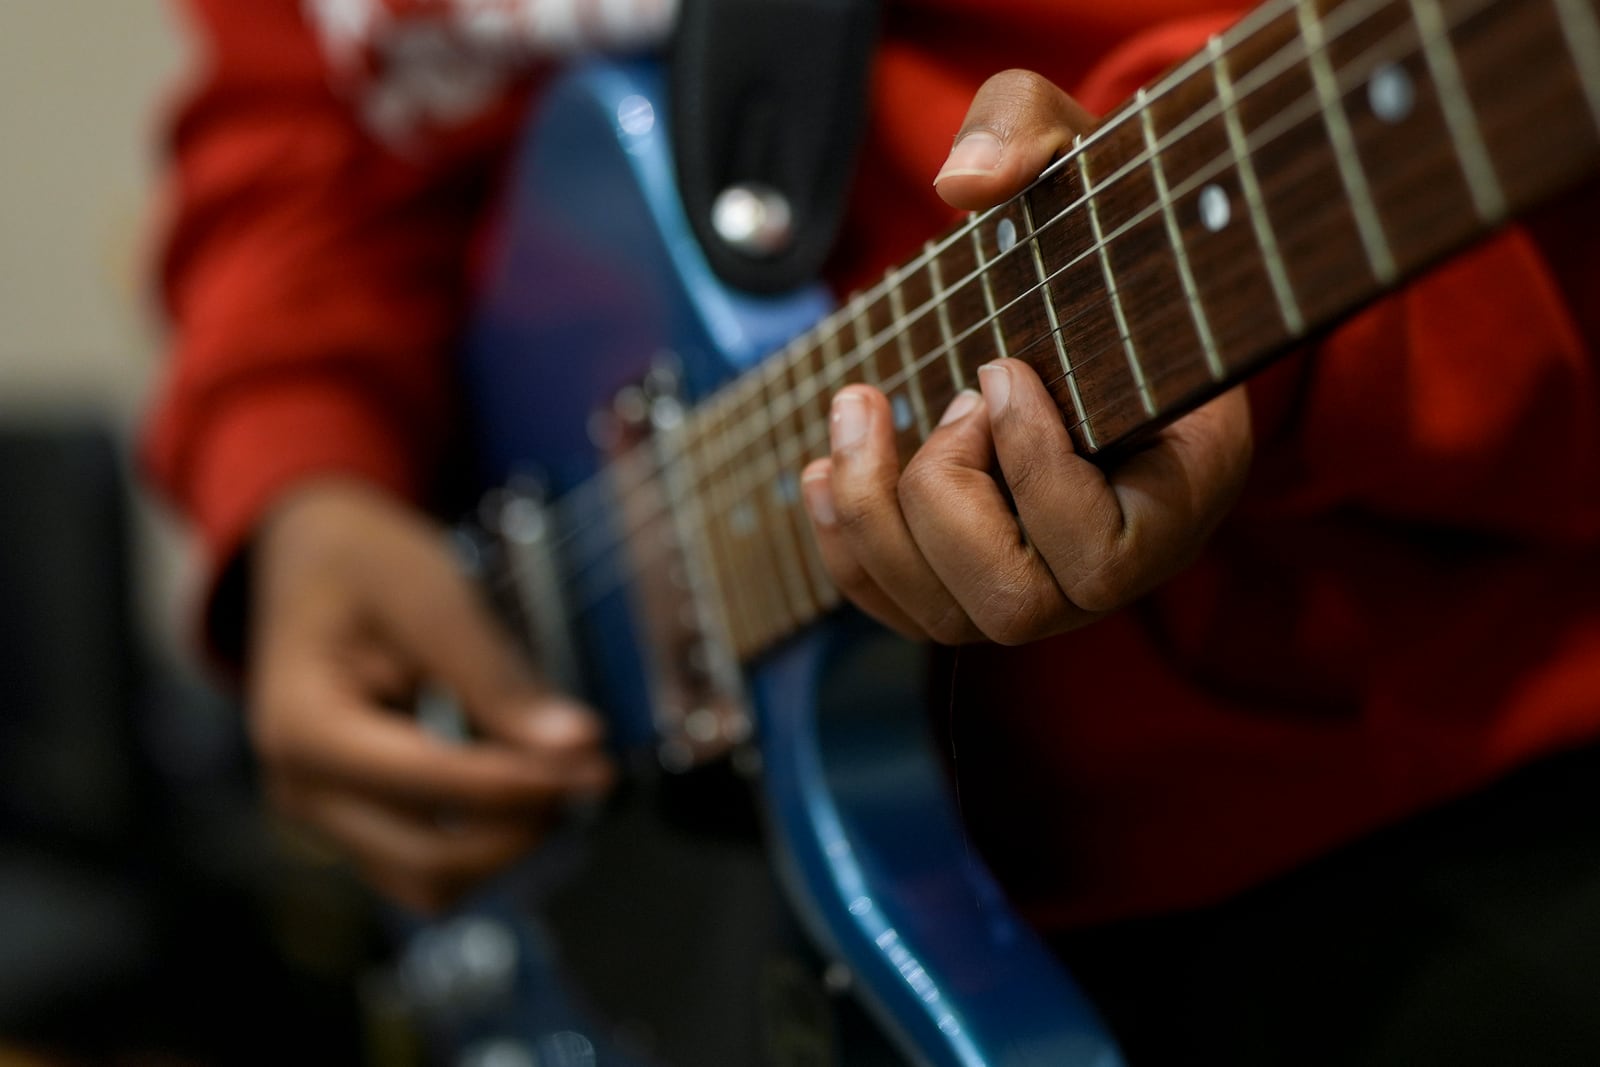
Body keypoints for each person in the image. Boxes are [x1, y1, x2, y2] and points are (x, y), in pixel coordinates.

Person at [146, 0, 1600, 1061]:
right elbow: (302, 111)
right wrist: (302, 476)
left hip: (1391, 797)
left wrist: (1244, 362)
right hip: (716, 893)